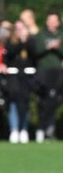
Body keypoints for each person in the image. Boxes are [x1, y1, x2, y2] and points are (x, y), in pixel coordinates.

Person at [28, 12, 61, 141]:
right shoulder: (41, 35)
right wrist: (48, 47)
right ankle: (41, 129)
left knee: (54, 100)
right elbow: (36, 51)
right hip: (43, 72)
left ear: (58, 22)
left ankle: (49, 128)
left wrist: (57, 47)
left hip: (57, 72)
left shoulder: (61, 35)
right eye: (49, 20)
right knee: (43, 100)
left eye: (54, 20)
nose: (52, 23)